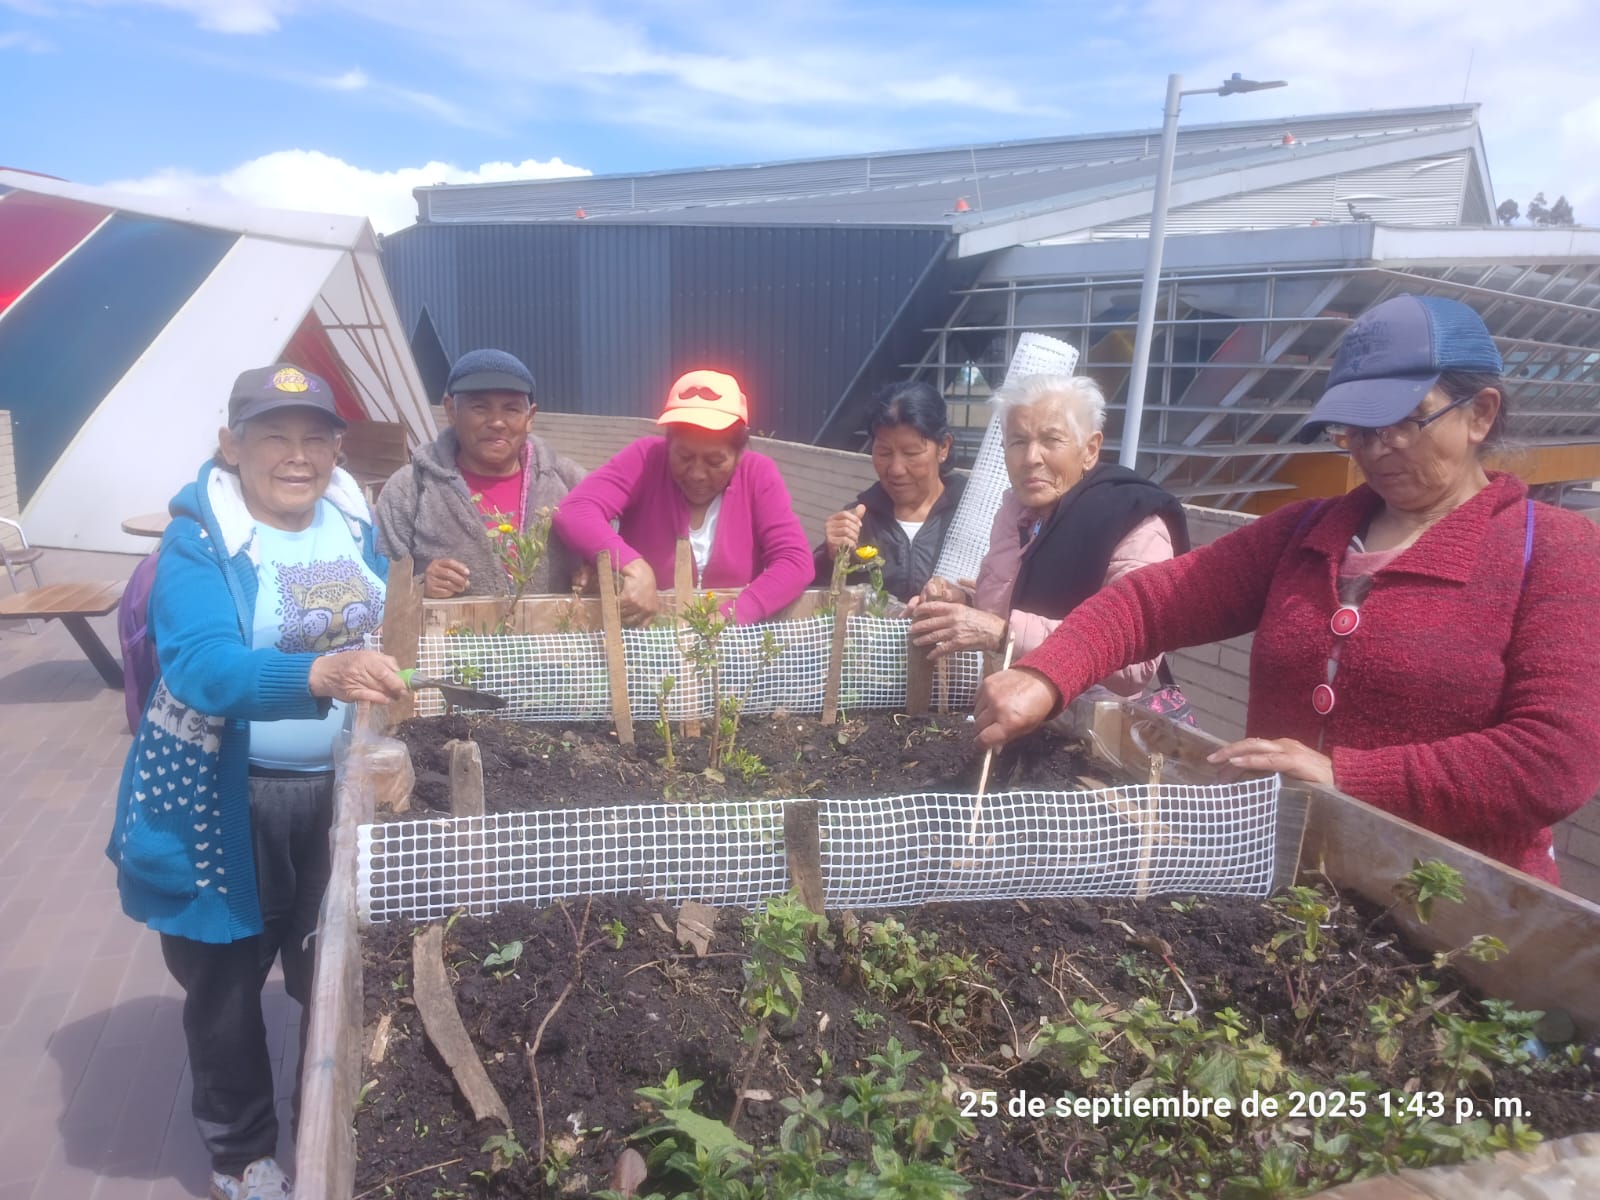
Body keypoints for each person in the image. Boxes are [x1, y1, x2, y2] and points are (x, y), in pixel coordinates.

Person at [973, 294, 1600, 883]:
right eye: (1355, 430)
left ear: (1480, 414)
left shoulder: (1550, 551)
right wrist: (1048, 674)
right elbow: (1151, 602)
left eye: (1402, 423)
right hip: (1277, 876)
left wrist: (1345, 776)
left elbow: (1552, 757)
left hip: (1458, 911)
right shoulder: (1307, 533)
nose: (1375, 449)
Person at [107, 365, 409, 1200]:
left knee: (333, 969)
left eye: (315, 435)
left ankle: (325, 1119)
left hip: (340, 793)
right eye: (274, 434)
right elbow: (201, 666)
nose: (298, 455)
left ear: (338, 447)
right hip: (227, 799)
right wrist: (320, 675)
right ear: (231, 443)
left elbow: (380, 620)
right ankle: (244, 1157)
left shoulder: (353, 519)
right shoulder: (199, 540)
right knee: (227, 989)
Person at [909, 374, 1186, 698]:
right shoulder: (1017, 512)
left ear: (1090, 449)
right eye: (1018, 441)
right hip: (1004, 708)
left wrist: (1003, 634)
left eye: (1051, 440)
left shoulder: (1134, 524)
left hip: (1078, 731)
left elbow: (1134, 662)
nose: (1030, 458)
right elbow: (1013, 604)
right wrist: (961, 603)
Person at [552, 369, 813, 625]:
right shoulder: (646, 459)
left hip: (732, 646)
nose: (697, 474)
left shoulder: (758, 474)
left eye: (714, 461)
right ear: (668, 444)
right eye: (684, 457)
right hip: (649, 639)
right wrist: (634, 566)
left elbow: (795, 561)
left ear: (739, 454)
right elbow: (574, 510)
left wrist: (733, 615)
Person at [375, 348, 585, 598]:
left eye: (511, 409)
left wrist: (596, 576)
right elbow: (376, 582)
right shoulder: (410, 488)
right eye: (480, 407)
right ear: (451, 410)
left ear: (530, 417)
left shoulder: (570, 483)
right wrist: (418, 585)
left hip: (554, 637)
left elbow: (611, 556)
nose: (497, 422)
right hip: (448, 636)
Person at [813, 381, 965, 602]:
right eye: (884, 452)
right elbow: (819, 601)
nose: (895, 469)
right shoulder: (859, 521)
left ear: (943, 447)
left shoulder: (973, 517)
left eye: (911, 453)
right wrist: (829, 557)